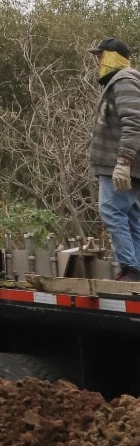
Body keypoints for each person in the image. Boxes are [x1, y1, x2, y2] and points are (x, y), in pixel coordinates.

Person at [88, 36, 140, 279]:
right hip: (122, 164)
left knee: (111, 210)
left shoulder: (124, 81)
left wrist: (123, 161)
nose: (97, 61)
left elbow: (133, 122)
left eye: (100, 56)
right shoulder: (122, 82)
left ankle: (130, 268)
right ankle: (136, 267)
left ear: (112, 57)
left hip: (119, 165)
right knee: (130, 216)